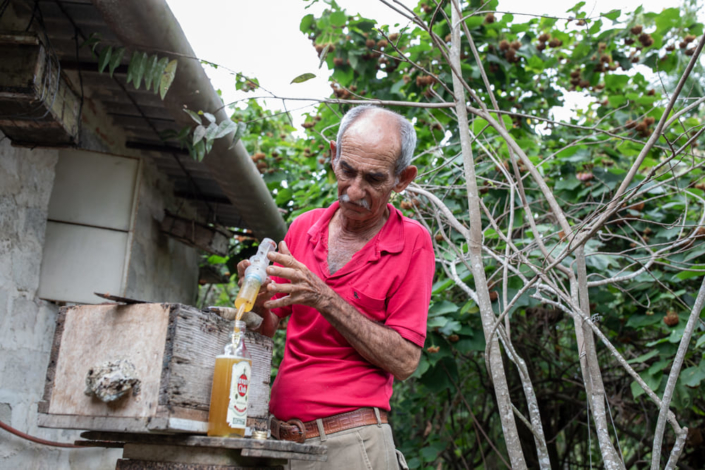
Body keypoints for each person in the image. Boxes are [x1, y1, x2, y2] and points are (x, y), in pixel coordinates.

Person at [238, 105, 435, 470]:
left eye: (374, 179)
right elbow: (264, 329)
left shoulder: (412, 242)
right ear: (333, 157)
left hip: (352, 446)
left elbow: (405, 361)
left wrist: (324, 297)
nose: (354, 191)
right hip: (278, 441)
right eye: (347, 171)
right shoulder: (303, 228)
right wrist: (257, 300)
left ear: (402, 179)